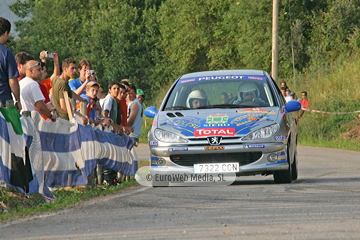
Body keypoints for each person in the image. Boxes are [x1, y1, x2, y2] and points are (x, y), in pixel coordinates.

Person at [51, 58, 88, 124]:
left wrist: (81, 99)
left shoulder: (57, 79)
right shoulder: (63, 83)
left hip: (59, 119)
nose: (74, 71)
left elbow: (70, 92)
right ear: (65, 69)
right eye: (72, 68)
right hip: (64, 121)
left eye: (75, 68)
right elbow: (64, 107)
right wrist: (79, 116)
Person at [0, 17, 21, 111]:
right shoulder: (6, 53)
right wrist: (18, 100)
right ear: (6, 33)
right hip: (4, 103)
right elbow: (13, 82)